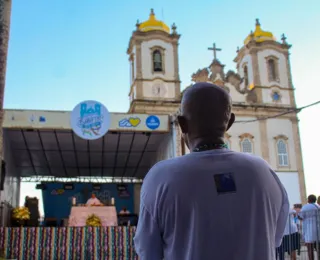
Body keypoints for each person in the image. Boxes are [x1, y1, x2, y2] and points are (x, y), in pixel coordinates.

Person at [134, 82, 289, 260]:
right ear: (230, 121)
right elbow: (276, 238)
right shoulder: (263, 172)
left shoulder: (160, 178)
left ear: (182, 124)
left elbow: (147, 251)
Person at [299, 194, 320, 260]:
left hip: (309, 230)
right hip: (318, 229)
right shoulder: (318, 207)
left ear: (308, 200)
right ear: (315, 200)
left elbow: (300, 217)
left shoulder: (305, 207)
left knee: (310, 249)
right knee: (318, 249)